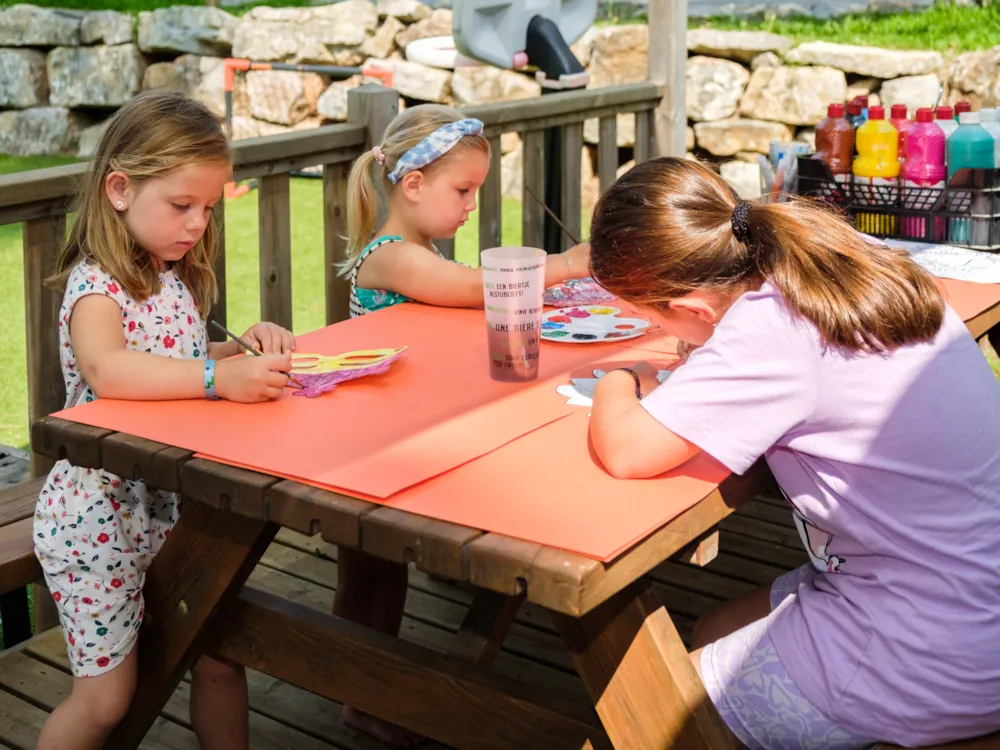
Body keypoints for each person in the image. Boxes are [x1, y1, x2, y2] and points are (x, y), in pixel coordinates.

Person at [587, 156, 1000, 748]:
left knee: (656, 713)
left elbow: (627, 450)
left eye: (649, 317)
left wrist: (618, 376)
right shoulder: (834, 261)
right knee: (714, 625)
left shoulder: (771, 330)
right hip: (962, 588)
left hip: (931, 649)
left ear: (694, 311)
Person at [34, 90, 295, 750]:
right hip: (98, 520)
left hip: (166, 507)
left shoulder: (168, 276)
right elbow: (113, 371)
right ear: (120, 189)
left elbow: (171, 361)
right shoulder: (96, 288)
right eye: (182, 205)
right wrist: (217, 380)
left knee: (217, 653)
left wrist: (239, 351)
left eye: (208, 208)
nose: (197, 223)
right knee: (104, 701)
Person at [336, 102, 590, 746]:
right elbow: (462, 286)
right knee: (364, 575)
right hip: (371, 442)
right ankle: (348, 690)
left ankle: (365, 689)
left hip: (402, 433)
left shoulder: (414, 247)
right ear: (413, 185)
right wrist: (565, 264)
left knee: (380, 573)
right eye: (464, 190)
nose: (471, 206)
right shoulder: (391, 255)